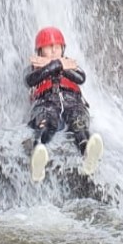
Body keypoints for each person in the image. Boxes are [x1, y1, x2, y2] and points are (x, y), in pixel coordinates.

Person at [25, 26, 104, 182]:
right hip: (46, 101)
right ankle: (38, 154)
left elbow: (81, 78)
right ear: (40, 51)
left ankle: (87, 153)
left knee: (78, 121)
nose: (54, 51)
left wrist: (60, 65)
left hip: (71, 100)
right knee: (46, 121)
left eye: (57, 47)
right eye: (49, 47)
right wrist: (52, 66)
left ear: (63, 48)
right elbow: (30, 80)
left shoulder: (71, 65)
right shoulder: (34, 68)